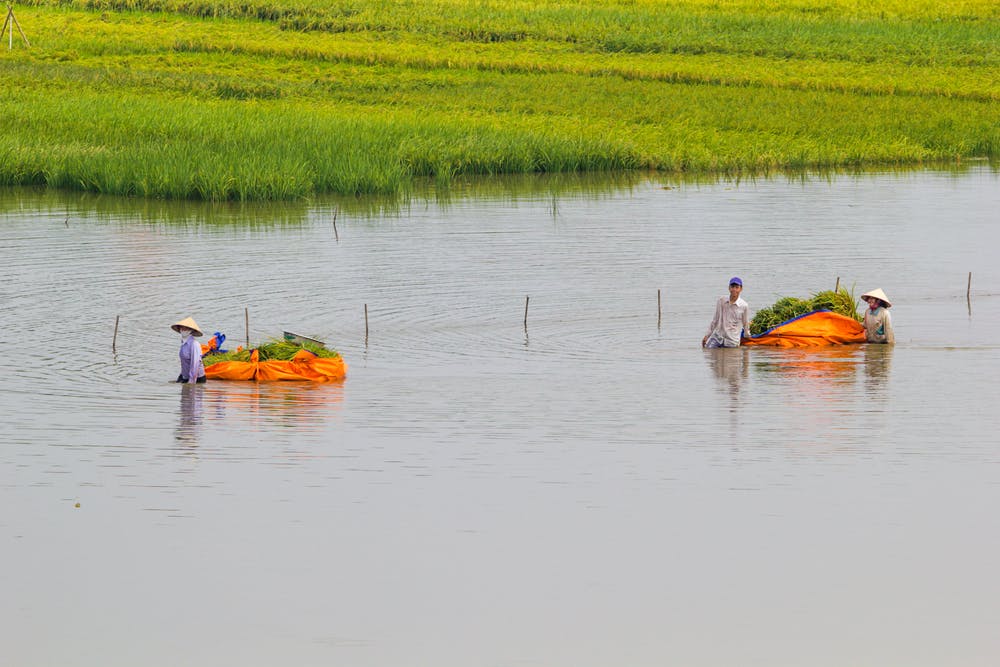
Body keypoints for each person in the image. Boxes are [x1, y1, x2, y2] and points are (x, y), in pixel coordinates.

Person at [702, 277, 750, 348]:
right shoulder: (721, 300)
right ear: (729, 288)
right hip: (718, 337)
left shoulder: (744, 305)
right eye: (732, 287)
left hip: (732, 340)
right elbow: (715, 320)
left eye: (737, 287)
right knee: (707, 352)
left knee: (730, 357)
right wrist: (707, 336)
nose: (734, 289)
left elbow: (745, 323)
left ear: (741, 289)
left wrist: (747, 336)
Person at [172, 316, 207, 383]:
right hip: (185, 376)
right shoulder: (183, 343)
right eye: (181, 327)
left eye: (186, 328)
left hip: (197, 378)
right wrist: (181, 376)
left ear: (191, 330)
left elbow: (195, 364)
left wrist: (191, 382)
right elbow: (184, 363)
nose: (183, 330)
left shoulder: (194, 344)